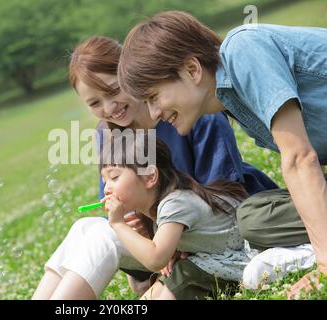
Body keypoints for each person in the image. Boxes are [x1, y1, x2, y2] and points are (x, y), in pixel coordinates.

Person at [32, 36, 280, 300]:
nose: (108, 108)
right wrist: (133, 221)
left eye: (114, 90)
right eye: (94, 103)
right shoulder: (107, 133)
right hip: (163, 241)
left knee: (103, 238)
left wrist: (168, 234)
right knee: (84, 228)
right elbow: (114, 203)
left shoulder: (189, 110)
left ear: (131, 76)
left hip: (220, 233)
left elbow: (221, 197)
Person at [117, 10, 327, 297]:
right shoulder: (233, 101)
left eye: (154, 97)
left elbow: (300, 158)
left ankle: (314, 252)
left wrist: (324, 266)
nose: (153, 114)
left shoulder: (244, 49)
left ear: (192, 70)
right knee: (253, 215)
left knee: (255, 218)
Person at [101, 132, 250, 300]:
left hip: (234, 262)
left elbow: (156, 258)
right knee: (156, 290)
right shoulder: (158, 207)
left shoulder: (176, 203)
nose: (107, 188)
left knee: (180, 278)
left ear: (150, 177)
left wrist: (118, 224)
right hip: (206, 260)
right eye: (104, 180)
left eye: (114, 177)